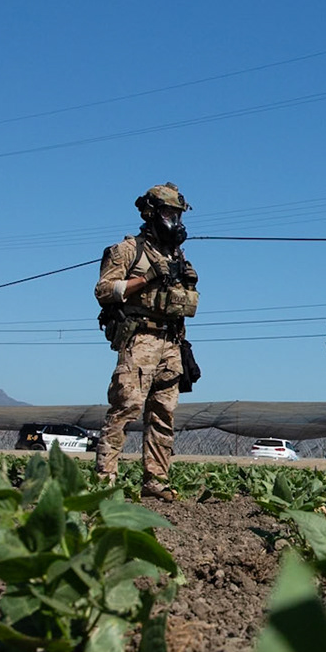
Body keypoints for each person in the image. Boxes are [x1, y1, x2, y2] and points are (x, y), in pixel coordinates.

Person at [93, 184, 199, 502]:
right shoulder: (127, 251)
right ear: (151, 213)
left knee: (163, 414)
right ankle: (105, 480)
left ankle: (156, 479)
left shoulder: (177, 256)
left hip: (171, 341)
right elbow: (103, 290)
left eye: (178, 215)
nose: (175, 221)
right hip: (140, 339)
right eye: (169, 213)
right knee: (126, 408)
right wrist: (147, 277)